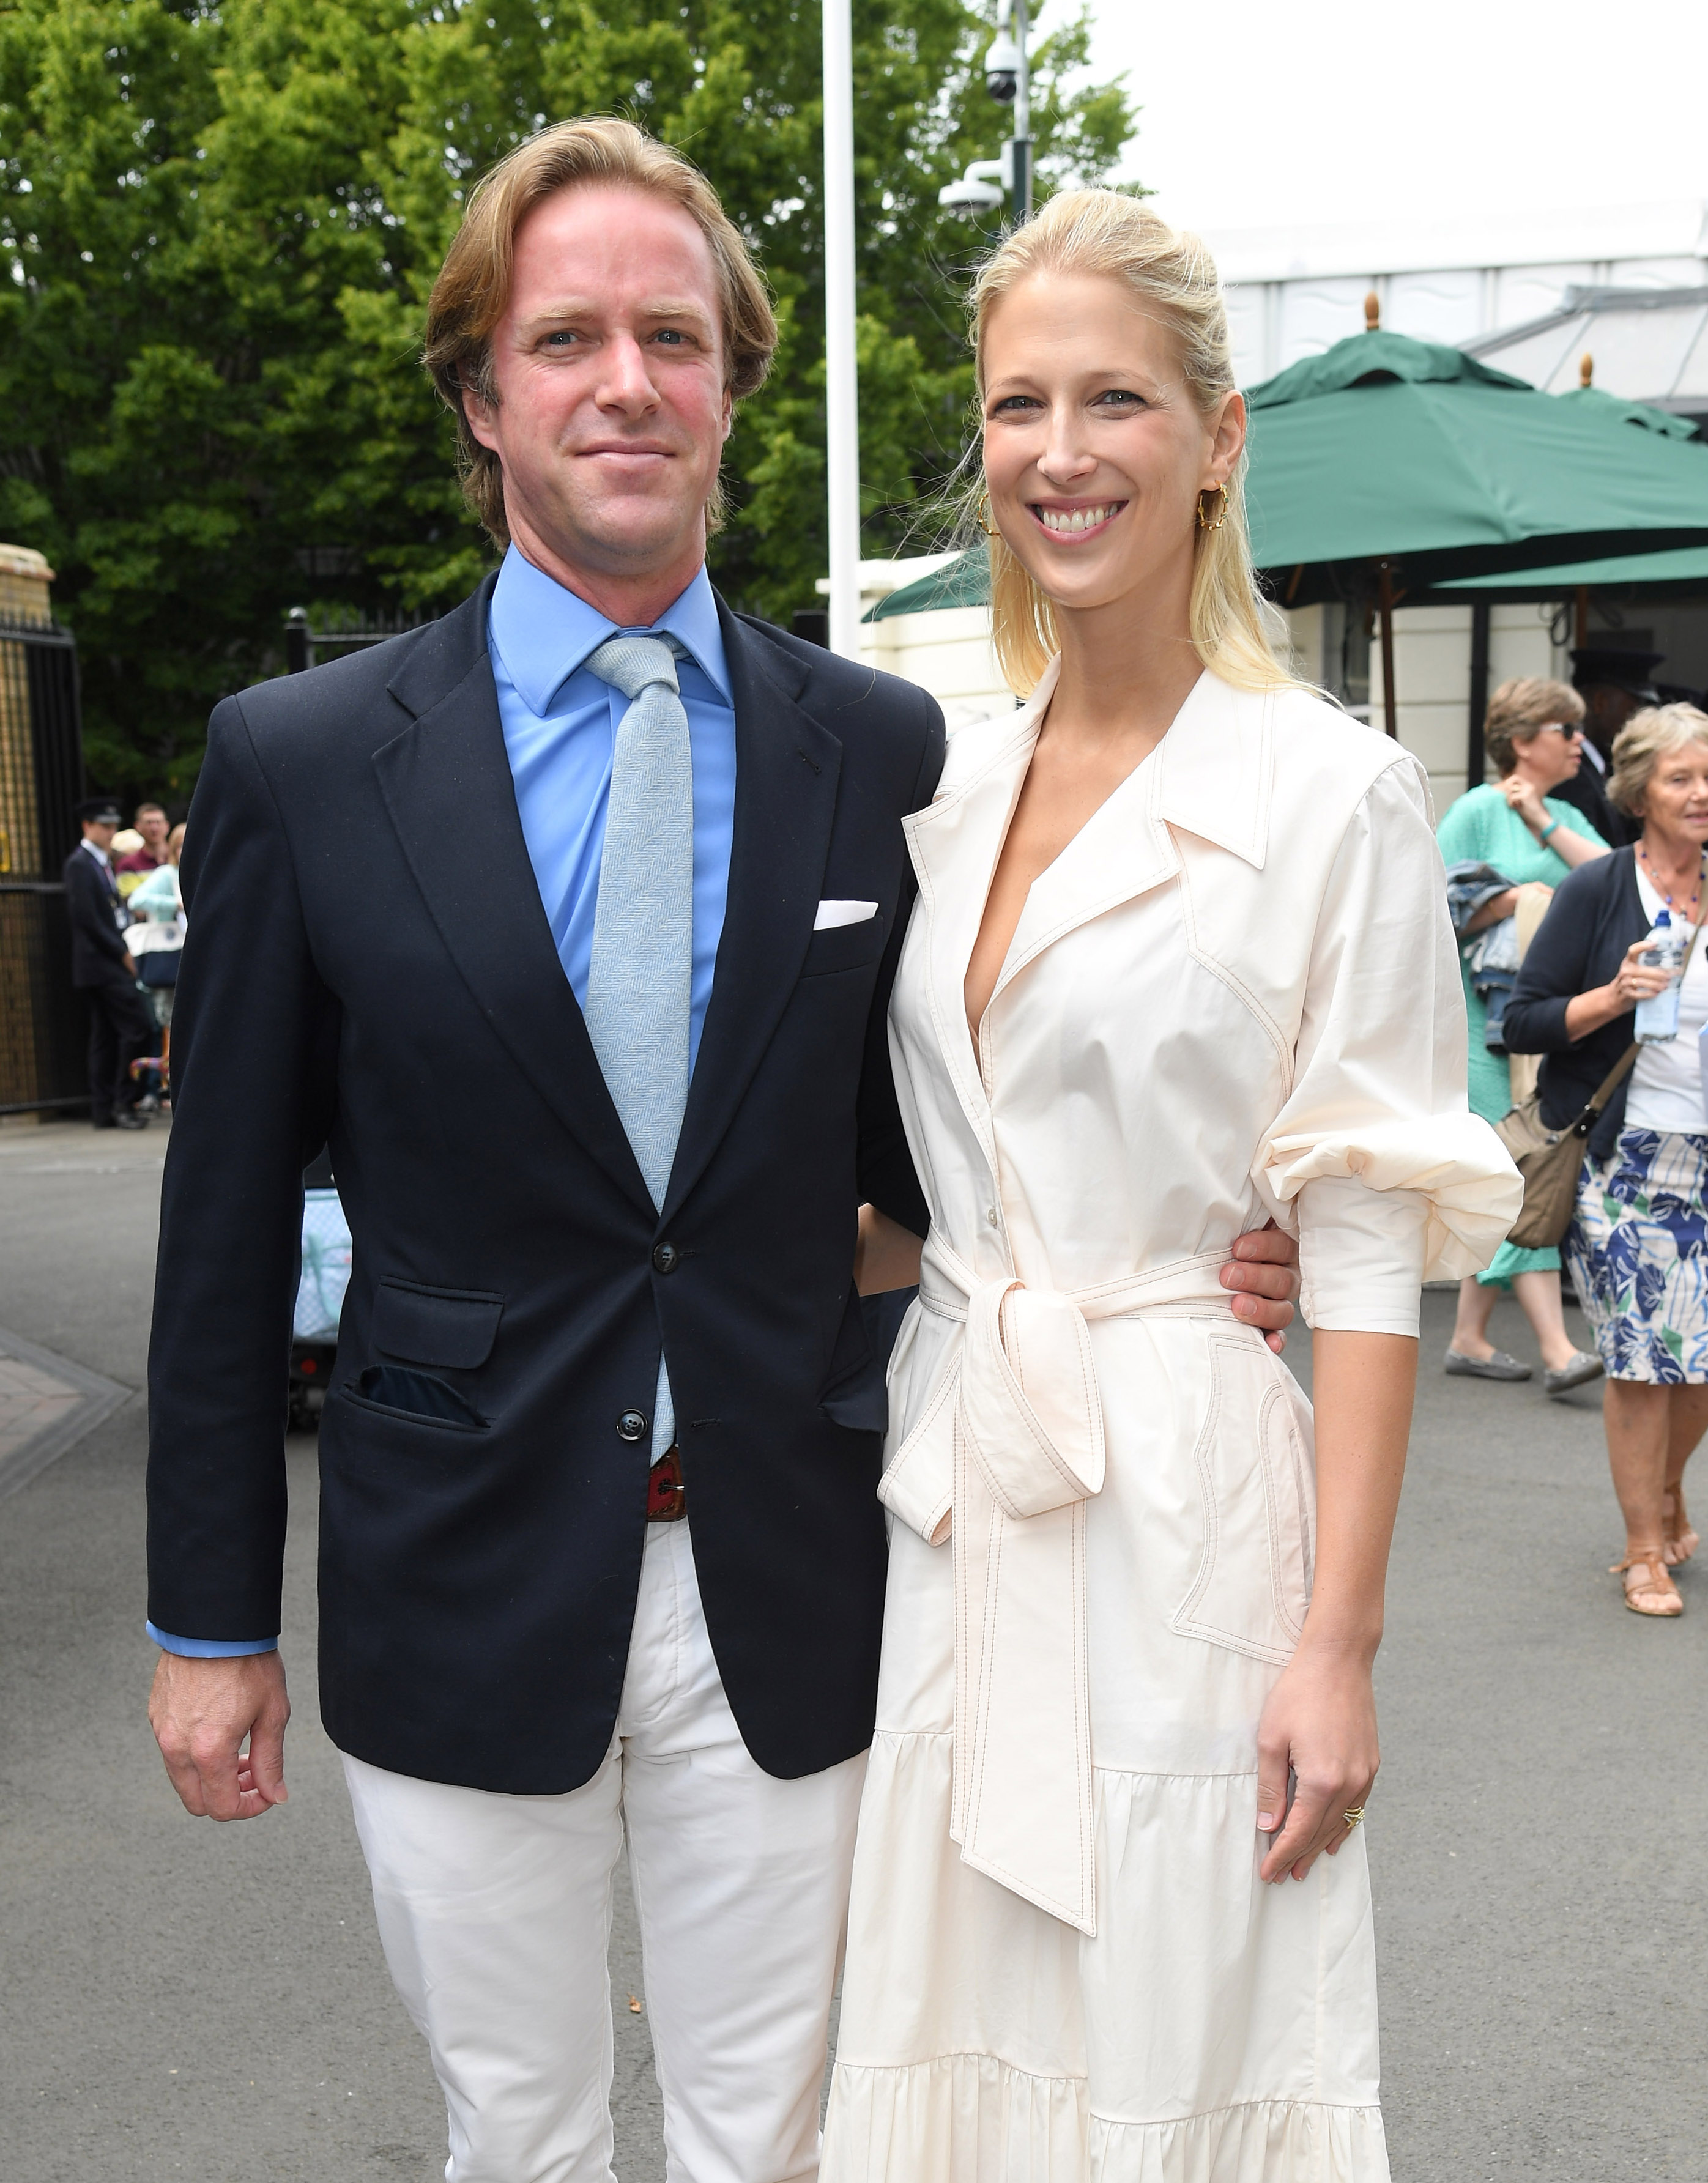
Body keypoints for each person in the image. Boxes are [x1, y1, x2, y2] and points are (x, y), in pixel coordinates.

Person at [143, 122, 1303, 2183]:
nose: (626, 383)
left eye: (672, 338)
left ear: (733, 387)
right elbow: (222, 1232)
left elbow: (949, 1137)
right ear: (482, 392)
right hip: (454, 1567)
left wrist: (1193, 1237)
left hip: (790, 1561)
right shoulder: (302, 760)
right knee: (516, 2131)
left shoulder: (880, 752)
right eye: (565, 338)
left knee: (767, 2137)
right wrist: (206, 1620)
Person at [820, 191, 1520, 2183]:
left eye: (1114, 398)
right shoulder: (944, 782)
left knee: (1176, 2040)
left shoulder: (1332, 791)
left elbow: (1364, 1243)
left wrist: (1337, 1643)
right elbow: (921, 1180)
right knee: (952, 2035)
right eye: (1019, 404)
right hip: (957, 1484)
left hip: (1188, 1501)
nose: (1061, 451)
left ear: (1216, 437)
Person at [1506, 703, 1708, 1618]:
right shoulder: (1596, 889)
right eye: (1680, 778)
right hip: (1622, 1161)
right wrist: (1614, 995)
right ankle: (1640, 1549)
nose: (1700, 794)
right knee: (1640, 1361)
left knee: (1696, 1366)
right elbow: (1525, 1019)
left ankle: (1664, 1489)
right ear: (1637, 792)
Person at [1435, 678, 1608, 1392]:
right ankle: (1557, 1349)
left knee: (1510, 1165)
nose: (1578, 741)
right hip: (1482, 1026)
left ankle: (1468, 1337)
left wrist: (1539, 818)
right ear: (1520, 741)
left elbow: (1612, 880)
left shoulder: (1561, 813)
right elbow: (1427, 901)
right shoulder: (1475, 809)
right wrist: (1514, 899)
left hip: (1542, 1024)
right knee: (1521, 1168)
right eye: (1565, 729)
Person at [62, 795, 154, 1130]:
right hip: (102, 963)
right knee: (136, 1027)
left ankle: (105, 1109)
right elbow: (89, 919)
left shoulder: (102, 863)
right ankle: (122, 1101)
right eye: (104, 826)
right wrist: (122, 953)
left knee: (105, 1037)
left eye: (114, 826)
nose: (110, 832)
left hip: (103, 962)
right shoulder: (81, 864)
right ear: (87, 826)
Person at [1551, 647, 1665, 848]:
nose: (1639, 721)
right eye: (1632, 710)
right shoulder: (1572, 775)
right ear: (1600, 703)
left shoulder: (1604, 766)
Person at [114, 800, 171, 893]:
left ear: (167, 826)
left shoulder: (179, 859)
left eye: (158, 822)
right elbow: (133, 900)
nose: (154, 828)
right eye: (149, 823)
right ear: (137, 826)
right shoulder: (128, 865)